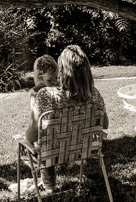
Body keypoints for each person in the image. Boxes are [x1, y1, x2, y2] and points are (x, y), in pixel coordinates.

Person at [26, 45, 108, 190]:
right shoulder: (94, 94)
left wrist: (25, 140)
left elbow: (31, 136)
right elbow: (104, 124)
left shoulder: (46, 95)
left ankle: (49, 185)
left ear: (62, 71)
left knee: (34, 144)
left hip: (53, 154)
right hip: (83, 150)